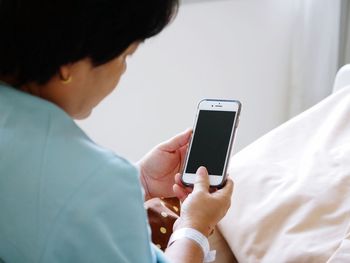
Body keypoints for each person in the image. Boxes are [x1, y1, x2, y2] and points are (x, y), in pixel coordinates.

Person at [0, 1, 234, 263]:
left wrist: (139, 181)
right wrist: (195, 227)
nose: (122, 69)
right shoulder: (99, 181)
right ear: (70, 62)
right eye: (125, 56)